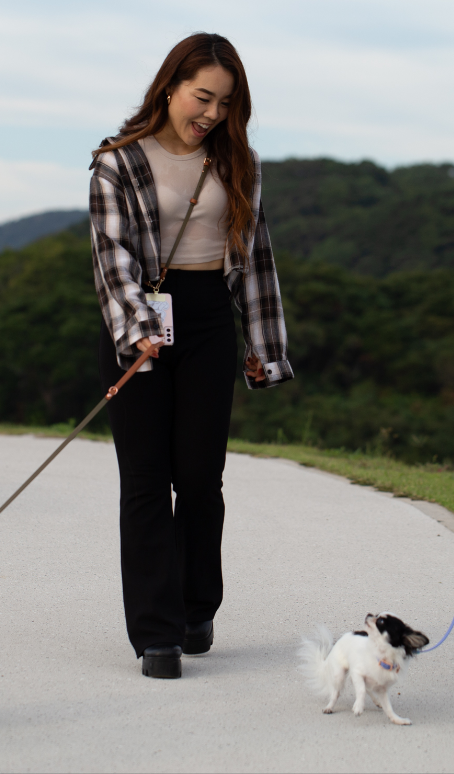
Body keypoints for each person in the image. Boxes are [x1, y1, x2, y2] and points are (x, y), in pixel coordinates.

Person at [89, 33, 293, 679]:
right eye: (202, 96)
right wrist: (141, 327)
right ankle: (156, 635)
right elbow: (112, 259)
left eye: (225, 103)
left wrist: (262, 347)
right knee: (146, 480)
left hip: (207, 317)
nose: (210, 113)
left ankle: (197, 605)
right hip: (138, 320)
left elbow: (256, 261)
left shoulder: (240, 163)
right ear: (170, 86)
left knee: (201, 479)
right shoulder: (116, 162)